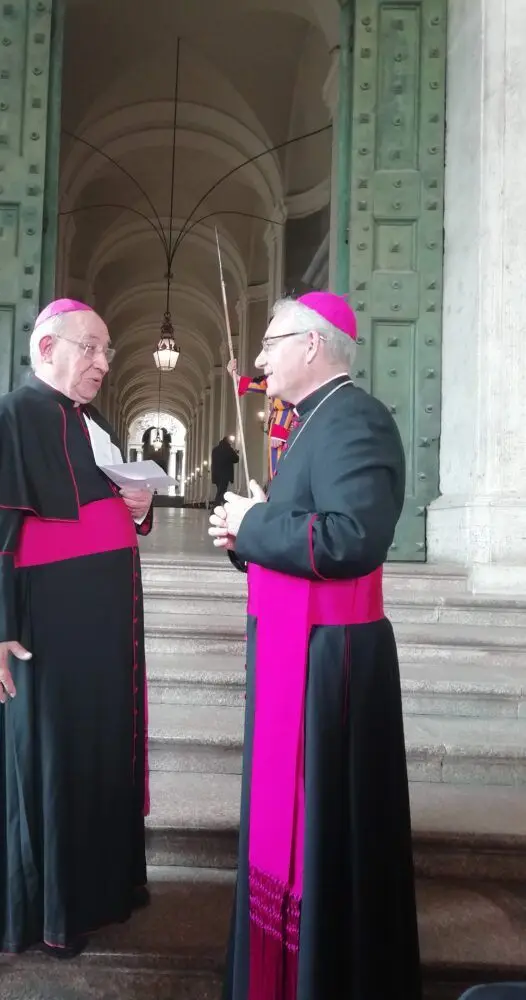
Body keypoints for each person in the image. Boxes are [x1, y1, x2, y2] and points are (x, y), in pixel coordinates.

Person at [209, 291, 421, 1000]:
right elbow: (296, 530)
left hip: (331, 659)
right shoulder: (306, 423)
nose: (259, 358)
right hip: (294, 645)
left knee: (323, 829)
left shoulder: (355, 418)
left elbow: (351, 540)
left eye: (270, 343)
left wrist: (257, 523)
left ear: (311, 344)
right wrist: (244, 535)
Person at [0, 298, 154, 959]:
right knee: (51, 764)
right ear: (46, 348)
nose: (102, 362)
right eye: (90, 347)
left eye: (107, 351)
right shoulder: (9, 417)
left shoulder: (93, 423)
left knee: (93, 756)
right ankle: (47, 912)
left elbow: (104, 504)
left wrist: (138, 506)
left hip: (102, 633)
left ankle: (97, 893)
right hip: (46, 631)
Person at [226, 358, 295, 481]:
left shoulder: (288, 369)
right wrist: (235, 376)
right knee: (275, 468)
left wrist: (279, 429)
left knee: (282, 467)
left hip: (287, 427)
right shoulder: (274, 375)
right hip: (277, 426)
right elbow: (262, 385)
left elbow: (287, 399)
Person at [211, 437, 240, 509]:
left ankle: (220, 507)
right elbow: (236, 459)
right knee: (221, 493)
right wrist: (235, 452)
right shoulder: (228, 449)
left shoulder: (215, 450)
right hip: (225, 475)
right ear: (228, 442)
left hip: (216, 475)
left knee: (220, 491)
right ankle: (215, 508)